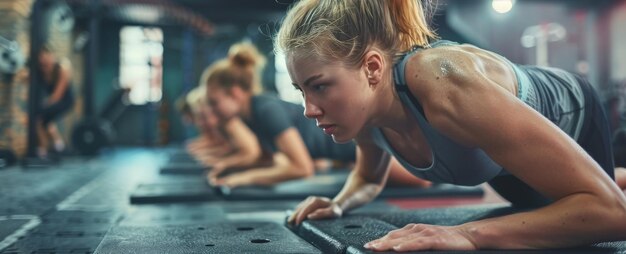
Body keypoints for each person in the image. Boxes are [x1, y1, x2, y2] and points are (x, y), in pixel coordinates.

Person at [275, 0, 626, 251]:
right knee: (547, 212)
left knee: (590, 207)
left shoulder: (440, 82)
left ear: (372, 68)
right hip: (505, 172)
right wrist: (338, 203)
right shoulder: (363, 116)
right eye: (300, 89)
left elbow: (612, 215)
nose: (308, 109)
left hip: (574, 118)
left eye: (319, 85)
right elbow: (368, 179)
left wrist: (469, 234)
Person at [204, 42, 431, 188]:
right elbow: (264, 158)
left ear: (235, 93)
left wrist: (240, 180)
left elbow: (301, 167)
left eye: (214, 103)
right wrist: (227, 169)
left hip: (358, 149)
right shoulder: (250, 117)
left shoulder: (265, 109)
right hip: (347, 157)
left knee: (423, 183)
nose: (212, 112)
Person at [36, 45, 74, 158]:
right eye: (40, 57)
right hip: (53, 100)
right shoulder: (41, 71)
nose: (43, 60)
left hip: (66, 101)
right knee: (46, 122)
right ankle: (59, 147)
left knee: (38, 119)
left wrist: (41, 107)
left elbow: (57, 95)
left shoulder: (62, 68)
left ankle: (42, 151)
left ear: (51, 56)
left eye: (45, 56)